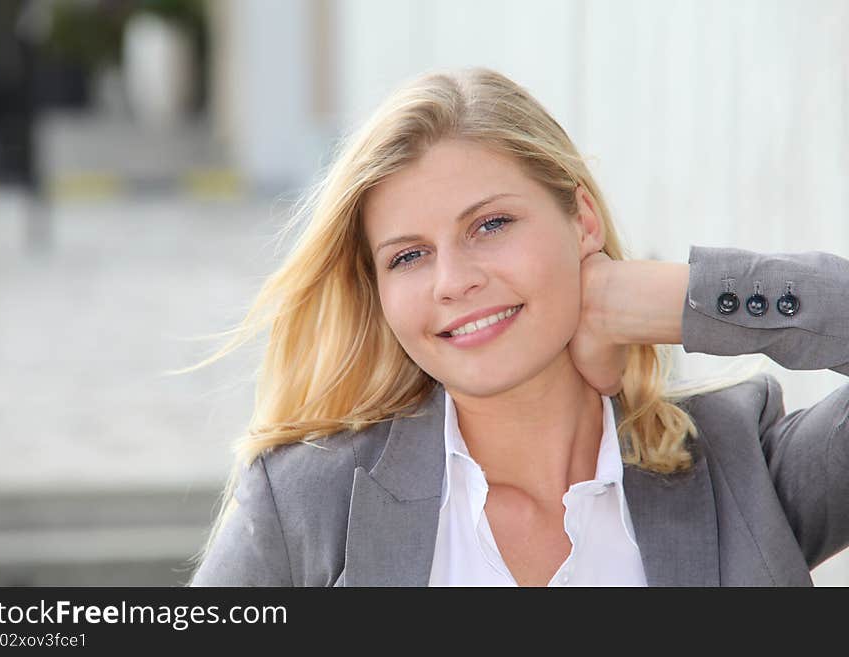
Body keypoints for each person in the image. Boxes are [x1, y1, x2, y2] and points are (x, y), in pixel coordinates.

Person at [186, 66, 849, 587]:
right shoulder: (305, 501)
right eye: (409, 255)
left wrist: (677, 296)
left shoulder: (741, 468)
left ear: (582, 219)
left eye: (490, 224)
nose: (452, 280)